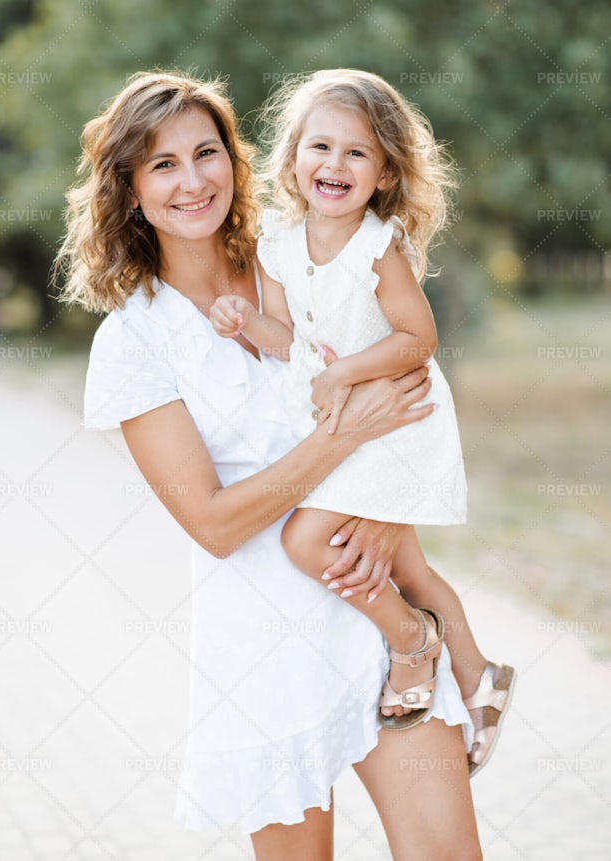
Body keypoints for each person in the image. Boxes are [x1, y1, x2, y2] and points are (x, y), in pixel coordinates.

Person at [56, 70, 483, 860]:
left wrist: (389, 511)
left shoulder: (299, 255)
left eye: (206, 153)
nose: (193, 181)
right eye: (162, 164)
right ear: (129, 189)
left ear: (236, 161)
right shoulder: (133, 342)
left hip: (374, 620)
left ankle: (442, 639)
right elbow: (215, 523)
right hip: (260, 655)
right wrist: (344, 438)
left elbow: (411, 377)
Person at [210, 68, 515, 773]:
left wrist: (344, 371)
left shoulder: (379, 248)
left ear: (382, 174)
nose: (335, 164)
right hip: (341, 420)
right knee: (405, 563)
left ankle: (412, 643)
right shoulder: (280, 246)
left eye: (357, 153)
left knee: (305, 539)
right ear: (293, 160)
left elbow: (418, 339)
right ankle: (480, 676)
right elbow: (292, 346)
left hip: (397, 416)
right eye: (321, 147)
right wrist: (246, 321)